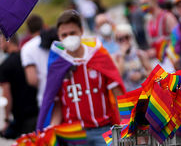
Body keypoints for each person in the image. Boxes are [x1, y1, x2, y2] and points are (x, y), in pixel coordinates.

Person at [43, 10, 125, 146]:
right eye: (64, 35)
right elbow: (57, 103)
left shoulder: (99, 57)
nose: (69, 37)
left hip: (104, 131)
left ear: (81, 31)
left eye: (72, 33)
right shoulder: (57, 66)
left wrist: (127, 126)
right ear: (59, 36)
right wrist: (51, 129)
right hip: (74, 136)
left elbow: (119, 95)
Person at [0, 34, 38, 139]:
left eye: (1, 42)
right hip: (40, 110)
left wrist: (6, 119)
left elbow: (7, 95)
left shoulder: (4, 66)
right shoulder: (29, 57)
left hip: (23, 117)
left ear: (8, 42)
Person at [140, 0, 178, 71]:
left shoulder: (167, 16)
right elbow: (152, 44)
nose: (144, 6)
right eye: (142, 4)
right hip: (161, 62)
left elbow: (178, 38)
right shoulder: (148, 22)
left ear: (154, 1)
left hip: (173, 60)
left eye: (145, 3)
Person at [20, 14, 49, 108]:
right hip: (64, 93)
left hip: (45, 95)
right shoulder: (54, 40)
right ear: (43, 25)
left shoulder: (26, 48)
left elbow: (32, 79)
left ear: (28, 31)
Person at [114, 24, 152, 91]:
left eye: (126, 37)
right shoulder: (116, 58)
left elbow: (151, 72)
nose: (124, 41)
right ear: (117, 41)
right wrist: (122, 55)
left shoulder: (139, 53)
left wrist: (141, 75)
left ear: (131, 37)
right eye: (120, 39)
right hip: (129, 95)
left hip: (143, 91)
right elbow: (118, 75)